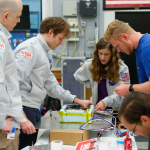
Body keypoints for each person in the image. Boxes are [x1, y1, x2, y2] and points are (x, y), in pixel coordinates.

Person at [14, 17, 94, 149]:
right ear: (51, 32)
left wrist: (77, 100)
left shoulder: (44, 52)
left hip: (32, 108)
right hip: (23, 109)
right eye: (60, 38)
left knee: (30, 145)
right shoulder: (30, 48)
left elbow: (52, 85)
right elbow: (12, 83)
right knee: (23, 146)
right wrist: (22, 117)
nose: (61, 43)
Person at [104, 19, 150, 149]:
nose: (118, 50)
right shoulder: (140, 49)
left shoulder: (147, 48)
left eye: (117, 46)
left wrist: (130, 89)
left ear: (125, 36)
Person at [0, 0, 35, 150]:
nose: (19, 20)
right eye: (18, 16)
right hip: (4, 125)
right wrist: (1, 121)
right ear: (6, 16)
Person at [74, 38, 130, 113]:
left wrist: (105, 101)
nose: (103, 57)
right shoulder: (90, 65)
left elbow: (123, 94)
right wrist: (91, 84)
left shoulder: (122, 69)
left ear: (112, 54)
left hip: (116, 112)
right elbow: (77, 75)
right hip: (97, 110)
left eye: (106, 54)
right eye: (100, 53)